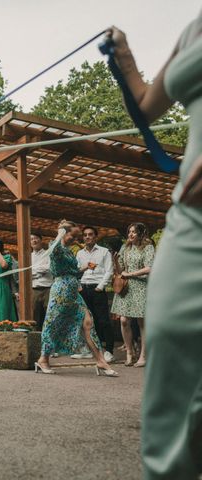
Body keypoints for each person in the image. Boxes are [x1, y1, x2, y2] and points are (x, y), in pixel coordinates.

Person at [110, 21, 202, 476]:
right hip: (190, 218)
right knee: (170, 382)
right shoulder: (194, 31)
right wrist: (123, 59)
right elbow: (148, 104)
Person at [35, 220, 117, 377]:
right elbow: (55, 253)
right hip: (61, 292)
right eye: (74, 235)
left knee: (88, 322)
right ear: (64, 233)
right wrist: (60, 231)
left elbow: (74, 272)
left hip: (73, 292)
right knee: (53, 323)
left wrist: (85, 268)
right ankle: (43, 359)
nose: (76, 239)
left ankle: (100, 360)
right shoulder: (57, 247)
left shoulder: (68, 250)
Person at [110, 223, 154, 367]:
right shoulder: (125, 247)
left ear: (141, 234)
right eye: (129, 231)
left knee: (142, 322)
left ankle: (143, 355)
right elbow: (121, 270)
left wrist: (131, 274)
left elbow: (149, 267)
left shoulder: (148, 247)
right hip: (126, 287)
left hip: (141, 286)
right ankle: (129, 352)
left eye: (134, 232)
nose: (130, 234)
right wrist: (115, 262)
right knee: (123, 320)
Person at [74, 226, 115, 363]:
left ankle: (109, 351)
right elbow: (77, 271)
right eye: (85, 235)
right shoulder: (80, 254)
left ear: (95, 237)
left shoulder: (104, 252)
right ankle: (88, 350)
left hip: (97, 289)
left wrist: (100, 287)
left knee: (103, 320)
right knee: (86, 321)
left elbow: (109, 271)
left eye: (90, 234)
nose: (87, 237)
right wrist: (79, 286)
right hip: (83, 289)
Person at [30, 233, 53, 330]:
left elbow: (49, 268)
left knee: (49, 314)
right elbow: (26, 272)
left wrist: (34, 271)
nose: (34, 240)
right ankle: (37, 339)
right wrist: (39, 272)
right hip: (34, 289)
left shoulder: (48, 253)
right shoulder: (28, 256)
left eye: (36, 238)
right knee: (36, 315)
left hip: (48, 288)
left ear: (41, 240)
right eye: (31, 239)